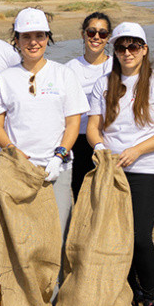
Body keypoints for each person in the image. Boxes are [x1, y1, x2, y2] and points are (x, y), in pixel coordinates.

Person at [85, 22, 154, 306]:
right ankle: (129, 292)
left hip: (148, 171)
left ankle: (151, 300)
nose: (127, 53)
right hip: (112, 169)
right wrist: (101, 149)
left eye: (134, 47)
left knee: (139, 236)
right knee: (116, 237)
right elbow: (93, 127)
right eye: (121, 47)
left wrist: (137, 151)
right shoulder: (104, 83)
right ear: (114, 50)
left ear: (144, 49)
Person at [0, 9, 88, 235]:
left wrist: (59, 156)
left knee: (56, 234)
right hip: (17, 170)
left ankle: (55, 273)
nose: (33, 42)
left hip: (57, 169)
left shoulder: (63, 74)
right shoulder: (5, 78)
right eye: (26, 37)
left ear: (47, 38)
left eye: (39, 36)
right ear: (17, 40)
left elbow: (73, 123)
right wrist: (13, 151)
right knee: (22, 234)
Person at [65, 11, 113, 199]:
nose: (96, 37)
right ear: (83, 34)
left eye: (102, 34)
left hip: (106, 139)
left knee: (105, 196)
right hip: (76, 139)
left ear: (108, 38)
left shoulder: (116, 66)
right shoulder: (69, 68)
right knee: (80, 193)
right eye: (91, 32)